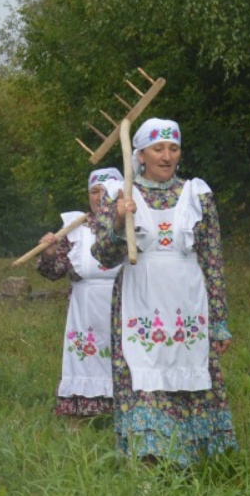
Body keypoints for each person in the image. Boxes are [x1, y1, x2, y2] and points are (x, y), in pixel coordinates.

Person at [94, 119, 237, 467]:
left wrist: (219, 322)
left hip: (188, 304)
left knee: (191, 379)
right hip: (139, 303)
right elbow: (103, 256)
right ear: (140, 154)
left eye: (173, 148)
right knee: (144, 380)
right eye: (158, 148)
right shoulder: (120, 194)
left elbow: (212, 260)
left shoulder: (197, 194)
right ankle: (149, 468)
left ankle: (194, 464)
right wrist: (118, 221)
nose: (167, 156)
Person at [37, 167, 124, 425]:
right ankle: (81, 422)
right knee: (86, 362)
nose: (100, 197)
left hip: (124, 307)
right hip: (85, 314)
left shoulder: (132, 226)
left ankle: (124, 419)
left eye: (106, 191)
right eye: (94, 191)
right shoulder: (75, 228)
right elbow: (54, 272)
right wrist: (50, 253)